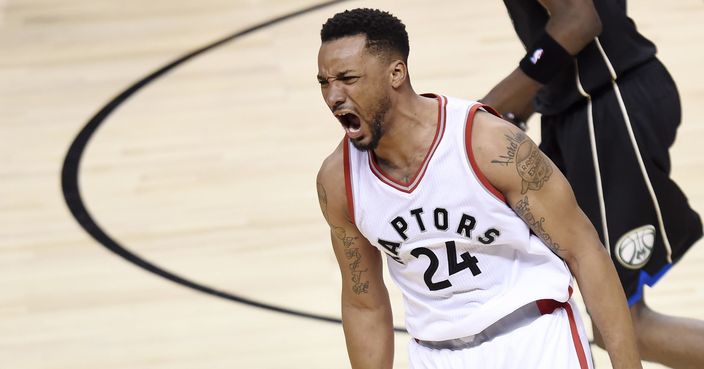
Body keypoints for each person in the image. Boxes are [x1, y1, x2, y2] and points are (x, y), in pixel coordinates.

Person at [315, 7, 641, 369]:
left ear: (396, 73)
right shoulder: (339, 180)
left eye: (347, 78)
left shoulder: (488, 144)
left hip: (533, 339)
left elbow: (584, 252)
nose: (334, 96)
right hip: (435, 353)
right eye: (324, 82)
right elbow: (365, 303)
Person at [481, 0, 704, 367]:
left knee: (624, 324)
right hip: (577, 105)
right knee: (607, 317)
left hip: (607, 101)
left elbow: (578, 21)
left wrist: (486, 109)